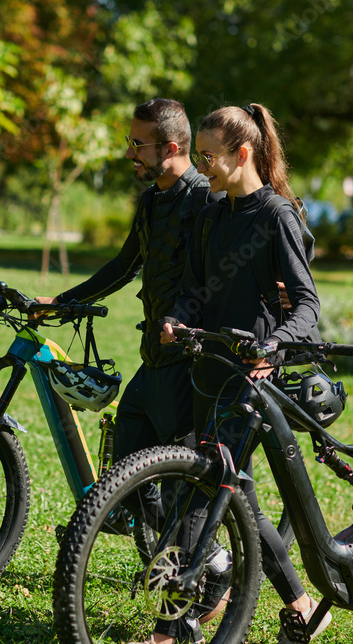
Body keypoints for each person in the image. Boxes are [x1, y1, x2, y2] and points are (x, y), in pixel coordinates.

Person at [160, 103, 331, 643]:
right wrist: (177, 319)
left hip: (255, 380)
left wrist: (274, 344)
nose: (202, 167)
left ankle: (170, 629)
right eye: (199, 156)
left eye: (209, 156)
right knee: (242, 500)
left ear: (243, 153)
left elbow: (307, 304)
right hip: (208, 372)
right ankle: (305, 606)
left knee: (201, 493)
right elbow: (195, 291)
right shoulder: (211, 216)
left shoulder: (276, 216)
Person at [36, 98, 218, 464]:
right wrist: (62, 302)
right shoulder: (151, 199)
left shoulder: (207, 199)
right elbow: (123, 266)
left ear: (171, 148)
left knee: (183, 492)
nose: (128, 153)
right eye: (128, 141)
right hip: (152, 358)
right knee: (125, 466)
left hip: (189, 368)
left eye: (138, 145)